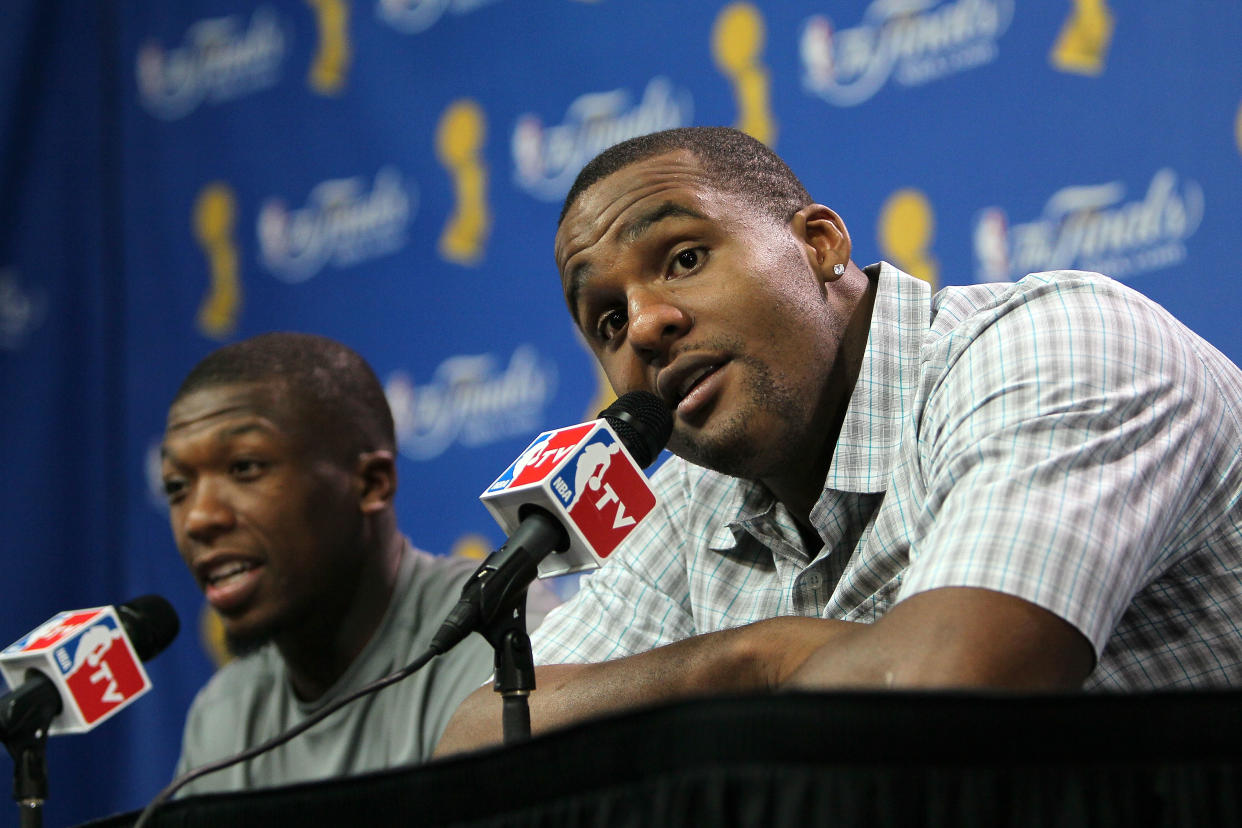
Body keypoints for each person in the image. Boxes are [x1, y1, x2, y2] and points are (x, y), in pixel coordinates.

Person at [435, 126, 1242, 755]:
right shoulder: (688, 498)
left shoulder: (1055, 344)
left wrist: (750, 669)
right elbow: (484, 736)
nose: (645, 325)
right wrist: (760, 661)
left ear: (820, 245)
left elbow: (951, 697)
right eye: (608, 320)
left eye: (684, 257)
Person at [161, 332, 515, 794]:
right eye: (176, 487)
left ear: (370, 484)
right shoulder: (223, 714)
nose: (199, 518)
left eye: (245, 467)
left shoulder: (499, 636)